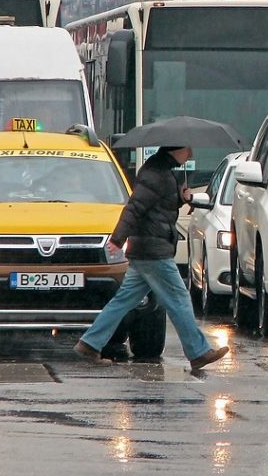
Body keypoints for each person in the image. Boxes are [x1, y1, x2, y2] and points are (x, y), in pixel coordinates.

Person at [74, 145, 230, 371]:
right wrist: (117, 238)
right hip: (152, 249)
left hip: (147, 247)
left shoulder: (161, 172)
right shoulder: (156, 174)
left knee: (123, 301)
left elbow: (156, 207)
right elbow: (135, 208)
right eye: (188, 150)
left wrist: (181, 198)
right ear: (175, 149)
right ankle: (198, 352)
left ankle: (89, 343)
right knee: (179, 298)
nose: (191, 154)